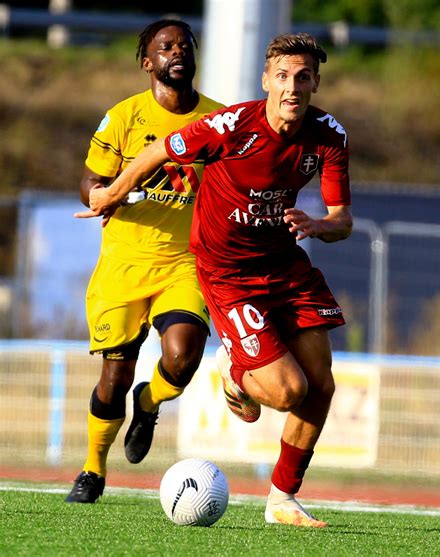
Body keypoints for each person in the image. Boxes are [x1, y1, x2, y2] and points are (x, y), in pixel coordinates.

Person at [76, 32, 352, 528]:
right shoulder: (231, 125)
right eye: (283, 76)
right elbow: (160, 150)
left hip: (285, 265)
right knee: (289, 392)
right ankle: (234, 371)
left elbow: (342, 220)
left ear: (316, 82)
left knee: (322, 385)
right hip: (228, 273)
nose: (292, 87)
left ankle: (282, 499)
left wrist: (320, 226)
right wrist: (114, 192)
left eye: (303, 77)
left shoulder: (329, 136)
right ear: (266, 80)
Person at [66, 19, 223, 504]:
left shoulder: (219, 120)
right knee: (114, 378)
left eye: (184, 45)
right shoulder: (123, 117)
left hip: (184, 263)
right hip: (124, 265)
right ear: (147, 61)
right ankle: (93, 468)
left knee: (182, 356)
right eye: (165, 46)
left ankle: (150, 402)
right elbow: (91, 180)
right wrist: (100, 196)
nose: (177, 51)